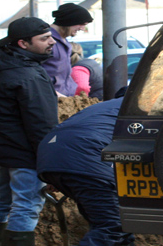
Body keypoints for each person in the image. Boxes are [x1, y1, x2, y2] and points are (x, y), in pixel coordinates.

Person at [0, 17, 59, 246]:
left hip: (1, 149)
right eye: (44, 38)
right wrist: (50, 163)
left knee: (2, 201)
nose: (52, 42)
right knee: (26, 205)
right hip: (25, 153)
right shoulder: (28, 75)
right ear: (23, 44)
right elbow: (42, 124)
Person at [37, 97, 134, 246]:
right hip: (85, 155)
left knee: (111, 230)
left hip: (52, 153)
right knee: (114, 226)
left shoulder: (117, 103)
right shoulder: (156, 103)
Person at [44, 3, 92, 97]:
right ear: (69, 21)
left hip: (66, 97)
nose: (82, 28)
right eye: (81, 24)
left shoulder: (65, 41)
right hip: (52, 98)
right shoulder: (46, 40)